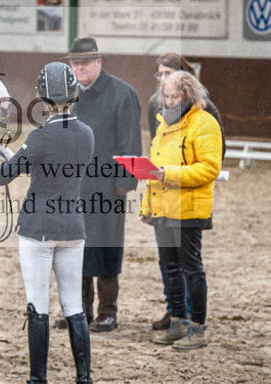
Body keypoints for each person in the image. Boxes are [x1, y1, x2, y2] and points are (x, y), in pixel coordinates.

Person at [0, 62, 96, 384]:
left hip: (39, 230)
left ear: (43, 96)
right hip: (73, 229)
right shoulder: (86, 133)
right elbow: (48, 170)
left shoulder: (40, 137)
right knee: (75, 307)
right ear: (73, 94)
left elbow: (1, 177)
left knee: (38, 307)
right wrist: (14, 156)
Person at [59, 37, 141, 332]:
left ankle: (108, 311)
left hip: (108, 186)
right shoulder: (68, 95)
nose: (79, 67)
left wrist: (124, 183)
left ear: (99, 62)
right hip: (73, 186)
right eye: (74, 62)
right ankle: (79, 310)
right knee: (73, 247)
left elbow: (130, 139)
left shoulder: (122, 93)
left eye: (84, 62)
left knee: (105, 246)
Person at [140, 71, 223, 350]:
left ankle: (198, 328)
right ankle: (177, 322)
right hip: (163, 209)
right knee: (169, 268)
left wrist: (168, 174)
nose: (170, 101)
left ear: (188, 95)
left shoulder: (204, 123)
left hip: (188, 210)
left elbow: (210, 168)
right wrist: (147, 206)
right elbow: (154, 170)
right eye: (167, 96)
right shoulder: (163, 125)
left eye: (176, 96)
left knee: (191, 269)